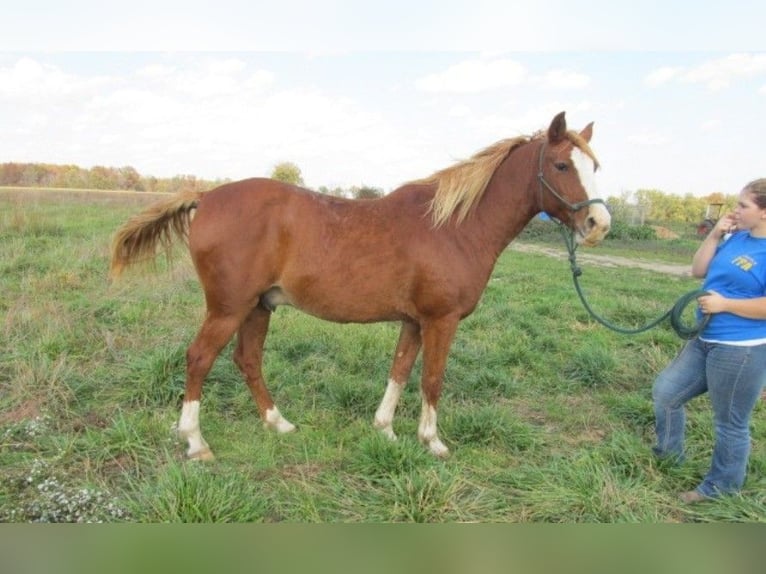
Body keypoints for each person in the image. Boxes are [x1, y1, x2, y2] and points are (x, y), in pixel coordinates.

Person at [652, 178, 766, 503]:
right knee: (666, 393)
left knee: (730, 422)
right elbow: (698, 270)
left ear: (765, 213)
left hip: (741, 350)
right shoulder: (736, 238)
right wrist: (716, 234)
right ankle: (669, 456)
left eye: (744, 205)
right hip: (705, 338)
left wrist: (726, 305)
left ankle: (720, 489)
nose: (736, 210)